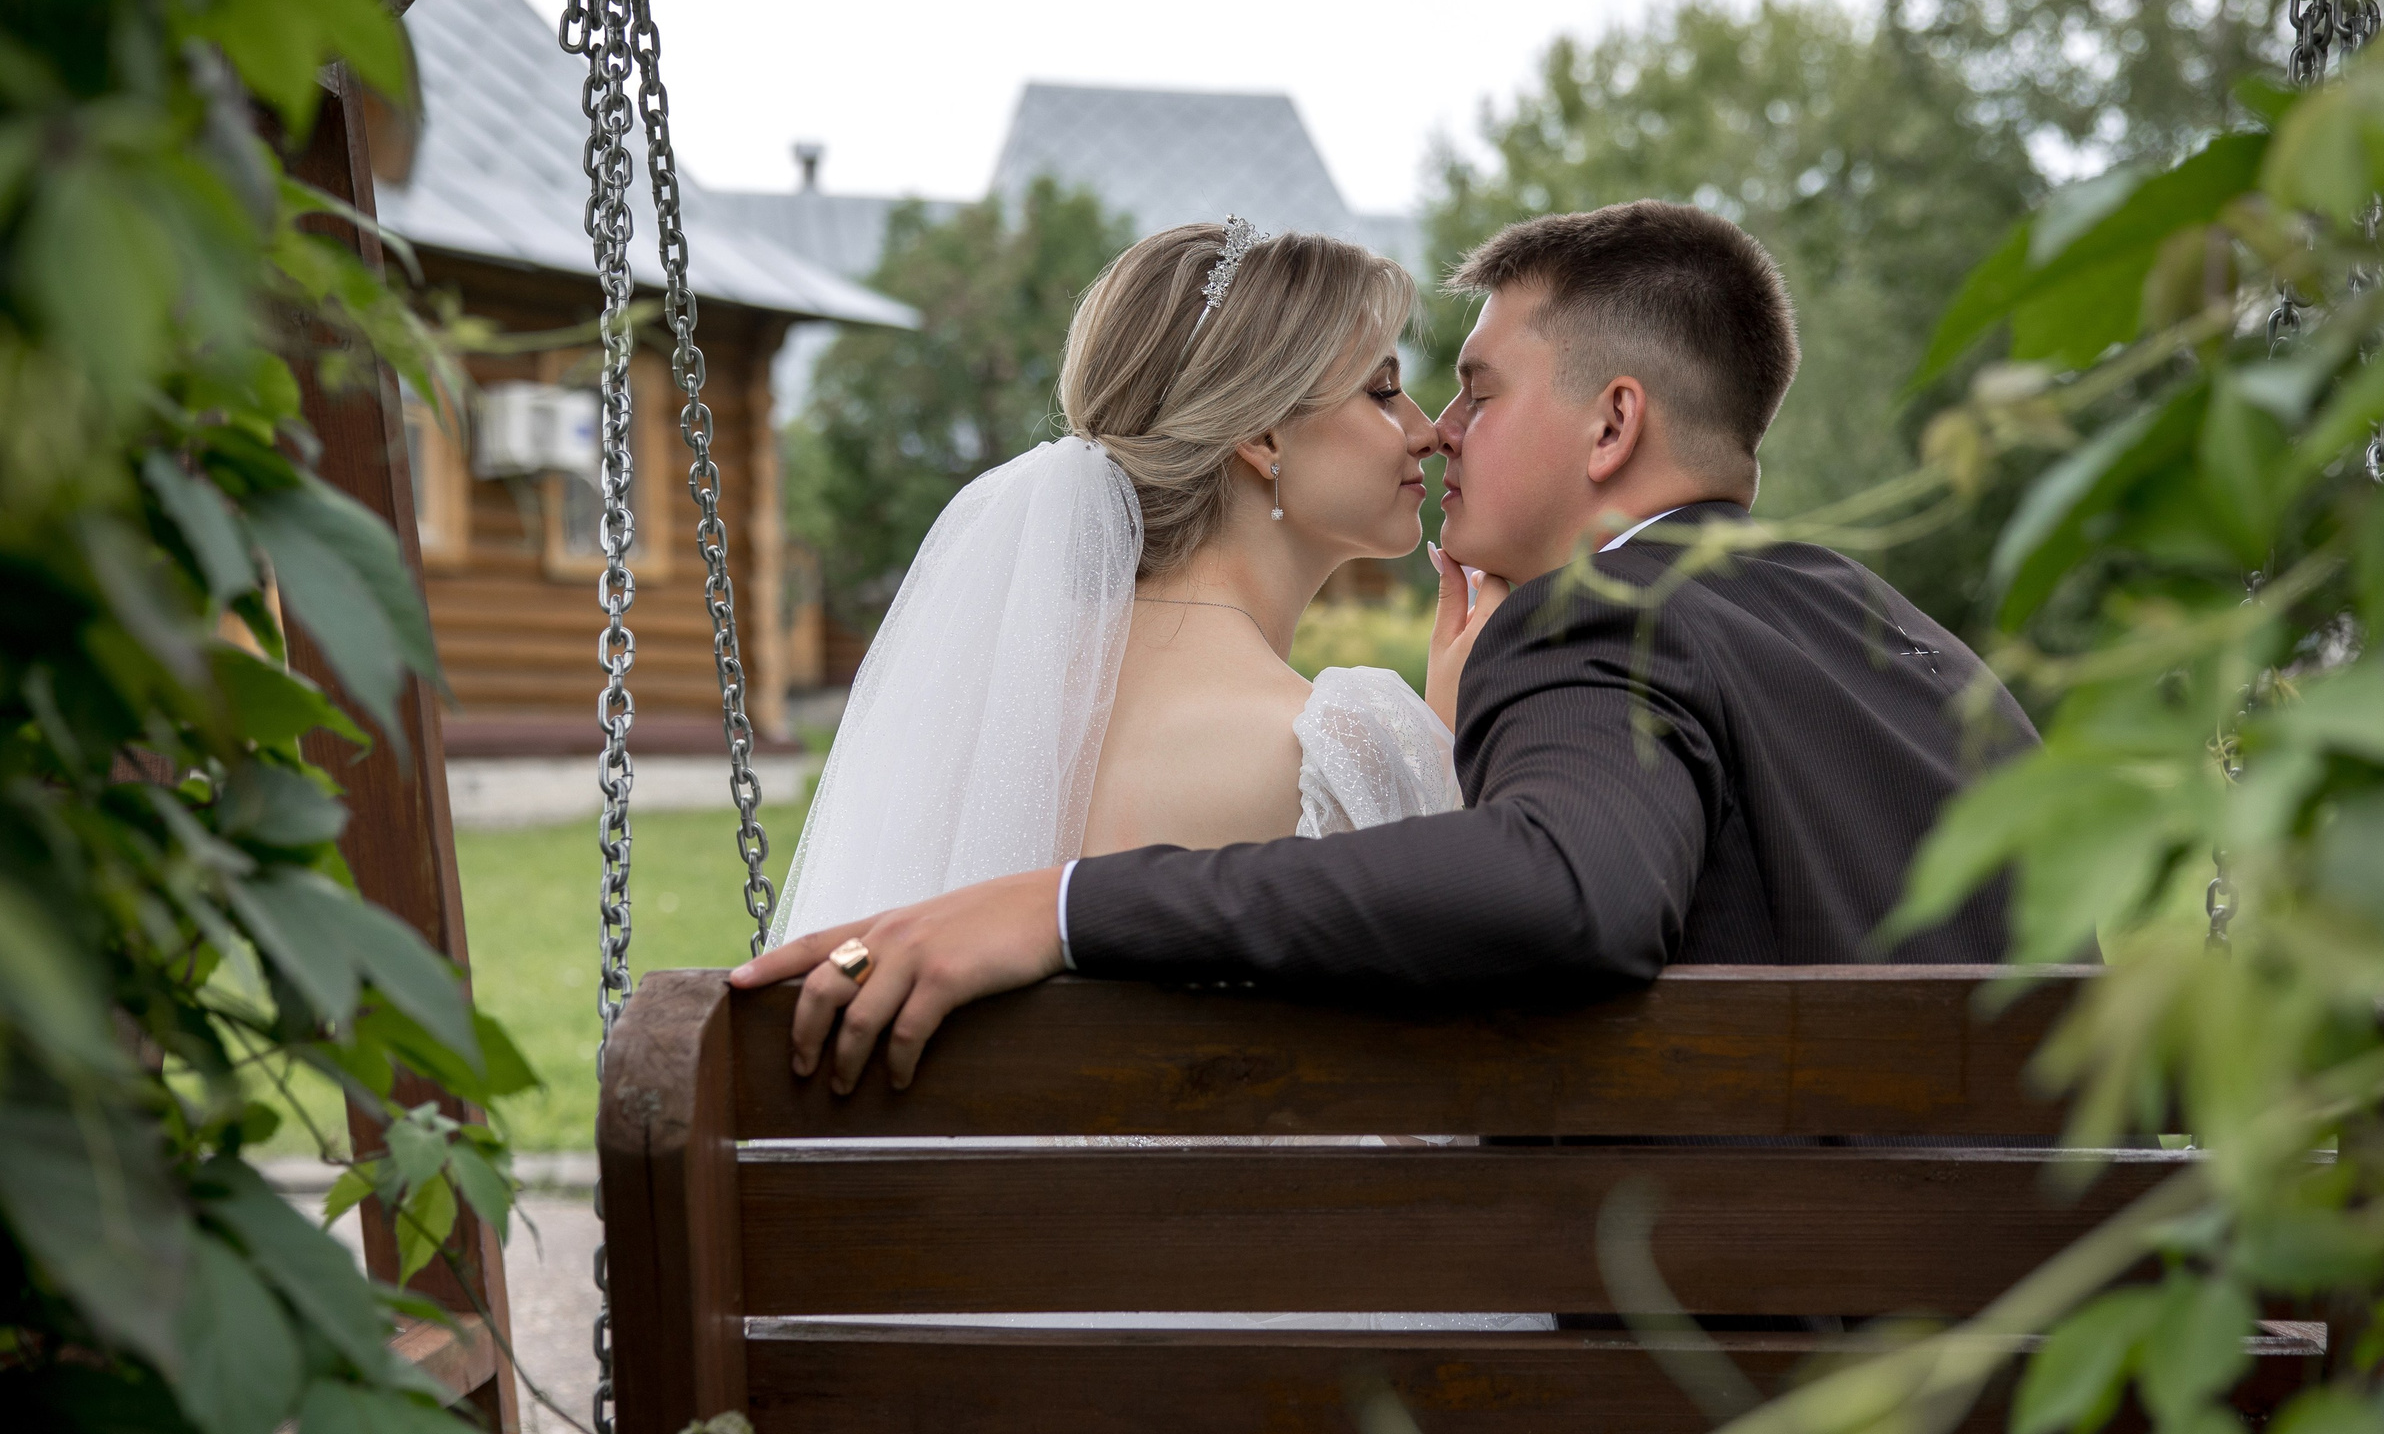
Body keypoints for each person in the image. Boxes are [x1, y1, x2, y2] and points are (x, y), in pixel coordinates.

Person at [743, 200, 2040, 1092]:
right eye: (1400, 387)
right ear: (1260, 437)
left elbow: (1562, 885)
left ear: (1611, 427)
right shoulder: (1912, 651)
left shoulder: (1589, 632)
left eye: (1473, 387)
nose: (1436, 430)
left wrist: (1064, 903)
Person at [775, 216, 1501, 1012]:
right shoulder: (1337, 740)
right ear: (1262, 434)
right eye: (1384, 390)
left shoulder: (995, 705)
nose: (1428, 431)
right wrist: (1445, 747)